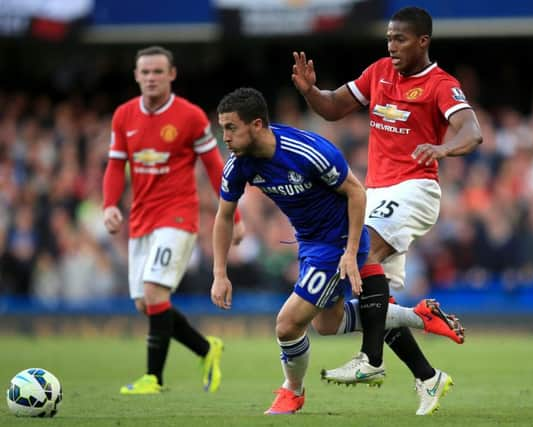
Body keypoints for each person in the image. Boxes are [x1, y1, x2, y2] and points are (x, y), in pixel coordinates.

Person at [210, 87, 462, 415]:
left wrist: (351, 251)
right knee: (328, 324)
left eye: (231, 127)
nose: (225, 136)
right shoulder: (239, 165)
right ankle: (418, 319)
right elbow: (224, 216)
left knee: (287, 324)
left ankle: (292, 391)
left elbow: (356, 193)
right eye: (223, 127)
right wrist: (219, 273)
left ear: (257, 125)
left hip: (338, 240)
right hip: (311, 242)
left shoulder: (307, 151)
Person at [291, 6, 481, 415]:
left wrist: (444, 147)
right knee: (377, 304)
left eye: (400, 39)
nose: (392, 47)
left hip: (415, 188)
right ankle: (429, 375)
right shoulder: (378, 72)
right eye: (389, 39)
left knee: (361, 256)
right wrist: (309, 91)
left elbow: (472, 131)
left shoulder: (440, 84)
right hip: (376, 192)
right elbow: (332, 106)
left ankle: (371, 362)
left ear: (423, 41)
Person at [102, 46, 244, 395]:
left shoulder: (191, 117)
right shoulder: (123, 116)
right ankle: (205, 349)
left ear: (172, 75)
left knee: (153, 292)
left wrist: (234, 216)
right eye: (145, 72)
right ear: (136, 76)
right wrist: (108, 204)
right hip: (141, 219)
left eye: (157, 72)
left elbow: (214, 166)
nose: (151, 78)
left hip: (178, 216)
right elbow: (115, 166)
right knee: (145, 304)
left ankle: (153, 378)